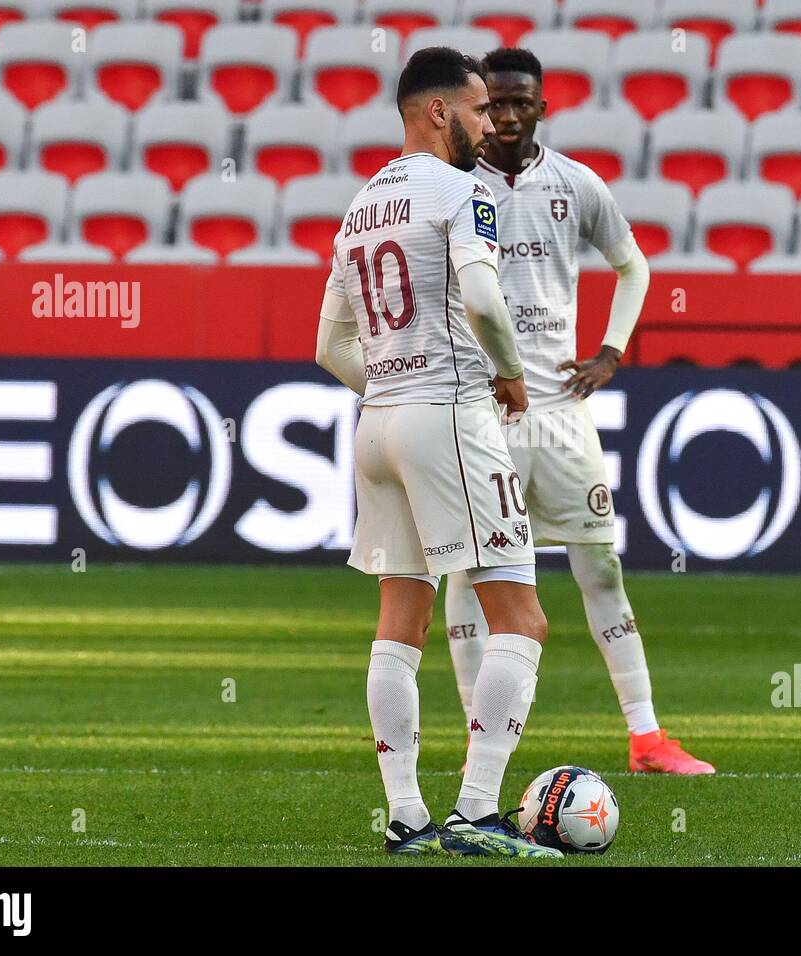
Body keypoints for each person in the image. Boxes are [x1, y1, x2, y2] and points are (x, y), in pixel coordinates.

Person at [315, 47, 561, 858]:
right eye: (480, 110)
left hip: (377, 427)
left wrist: (386, 379)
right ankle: (478, 811)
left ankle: (406, 816)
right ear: (436, 112)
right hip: (449, 415)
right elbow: (485, 298)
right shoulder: (464, 193)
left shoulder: (359, 208)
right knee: (521, 618)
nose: (492, 125)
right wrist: (511, 376)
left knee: (400, 621)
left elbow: (329, 346)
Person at [443, 48, 715, 774]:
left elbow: (634, 266)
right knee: (472, 576)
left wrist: (612, 352)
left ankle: (647, 737)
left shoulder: (576, 185)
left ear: (541, 106)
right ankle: (481, 732)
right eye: (493, 103)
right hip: (482, 415)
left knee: (601, 568)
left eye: (518, 103)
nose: (504, 117)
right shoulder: (453, 186)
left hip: (561, 413)